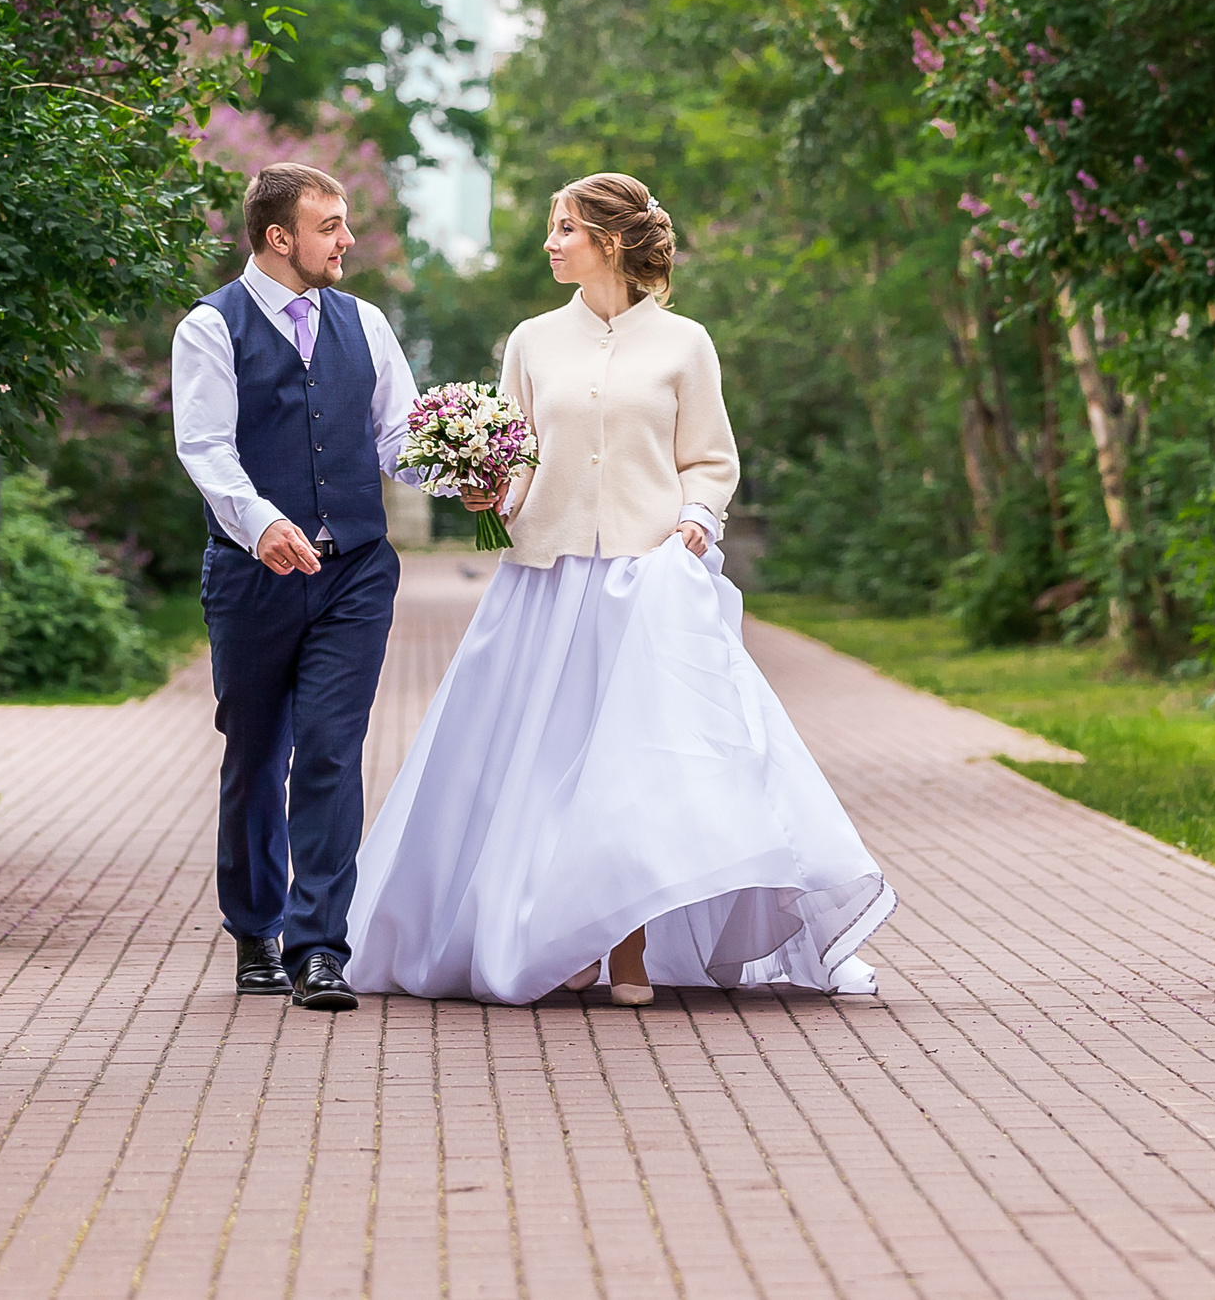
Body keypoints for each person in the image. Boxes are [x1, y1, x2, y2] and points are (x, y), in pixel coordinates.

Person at [346, 172, 897, 1005]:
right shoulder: (532, 340)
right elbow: (520, 453)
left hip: (648, 584)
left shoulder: (685, 344)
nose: (550, 242)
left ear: (609, 241)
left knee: (634, 772)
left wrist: (697, 518)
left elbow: (710, 457)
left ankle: (626, 947)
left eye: (564, 227)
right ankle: (559, 938)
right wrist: (492, 493)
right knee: (538, 768)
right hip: (545, 583)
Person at [171, 162, 426, 1013]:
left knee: (328, 751)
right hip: (252, 576)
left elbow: (398, 438)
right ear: (280, 237)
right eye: (330, 225)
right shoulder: (211, 327)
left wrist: (461, 467)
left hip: (355, 571)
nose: (346, 239)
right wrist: (260, 523)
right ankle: (255, 930)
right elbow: (206, 447)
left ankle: (319, 948)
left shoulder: (366, 322)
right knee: (255, 751)